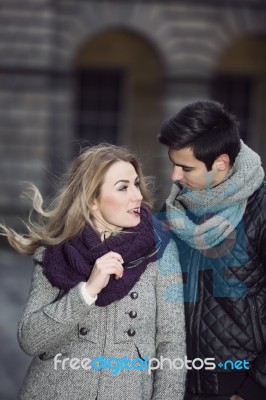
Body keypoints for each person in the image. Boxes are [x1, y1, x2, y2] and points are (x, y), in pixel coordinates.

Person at [1, 144, 186, 400]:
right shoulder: (55, 253)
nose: (137, 196)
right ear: (92, 201)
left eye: (135, 184)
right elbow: (30, 340)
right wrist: (87, 291)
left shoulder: (162, 249)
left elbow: (172, 344)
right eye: (123, 187)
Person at [158, 100, 266, 400]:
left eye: (186, 167)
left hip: (238, 380)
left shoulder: (262, 210)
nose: (174, 177)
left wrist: (255, 387)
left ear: (220, 163)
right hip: (178, 376)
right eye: (173, 163)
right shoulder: (175, 208)